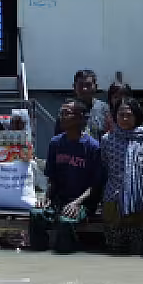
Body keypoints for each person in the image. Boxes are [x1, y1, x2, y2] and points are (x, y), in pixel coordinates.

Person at [30, 100, 103, 253]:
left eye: (66, 113)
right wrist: (46, 197)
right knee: (36, 214)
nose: (61, 117)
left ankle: (65, 258)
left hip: (83, 202)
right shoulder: (55, 143)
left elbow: (95, 186)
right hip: (59, 199)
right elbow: (52, 178)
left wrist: (76, 203)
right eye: (61, 113)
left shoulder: (93, 147)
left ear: (80, 118)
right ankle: (37, 257)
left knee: (65, 222)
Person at [100, 98, 143, 255]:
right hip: (112, 201)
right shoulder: (107, 139)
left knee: (138, 253)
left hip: (140, 203)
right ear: (115, 116)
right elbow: (104, 169)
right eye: (121, 115)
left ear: (137, 116)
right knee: (114, 253)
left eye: (129, 115)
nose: (125, 119)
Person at [66, 69, 110, 141]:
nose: (85, 89)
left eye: (88, 85)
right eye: (81, 85)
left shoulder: (104, 109)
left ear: (96, 87)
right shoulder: (67, 110)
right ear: (74, 87)